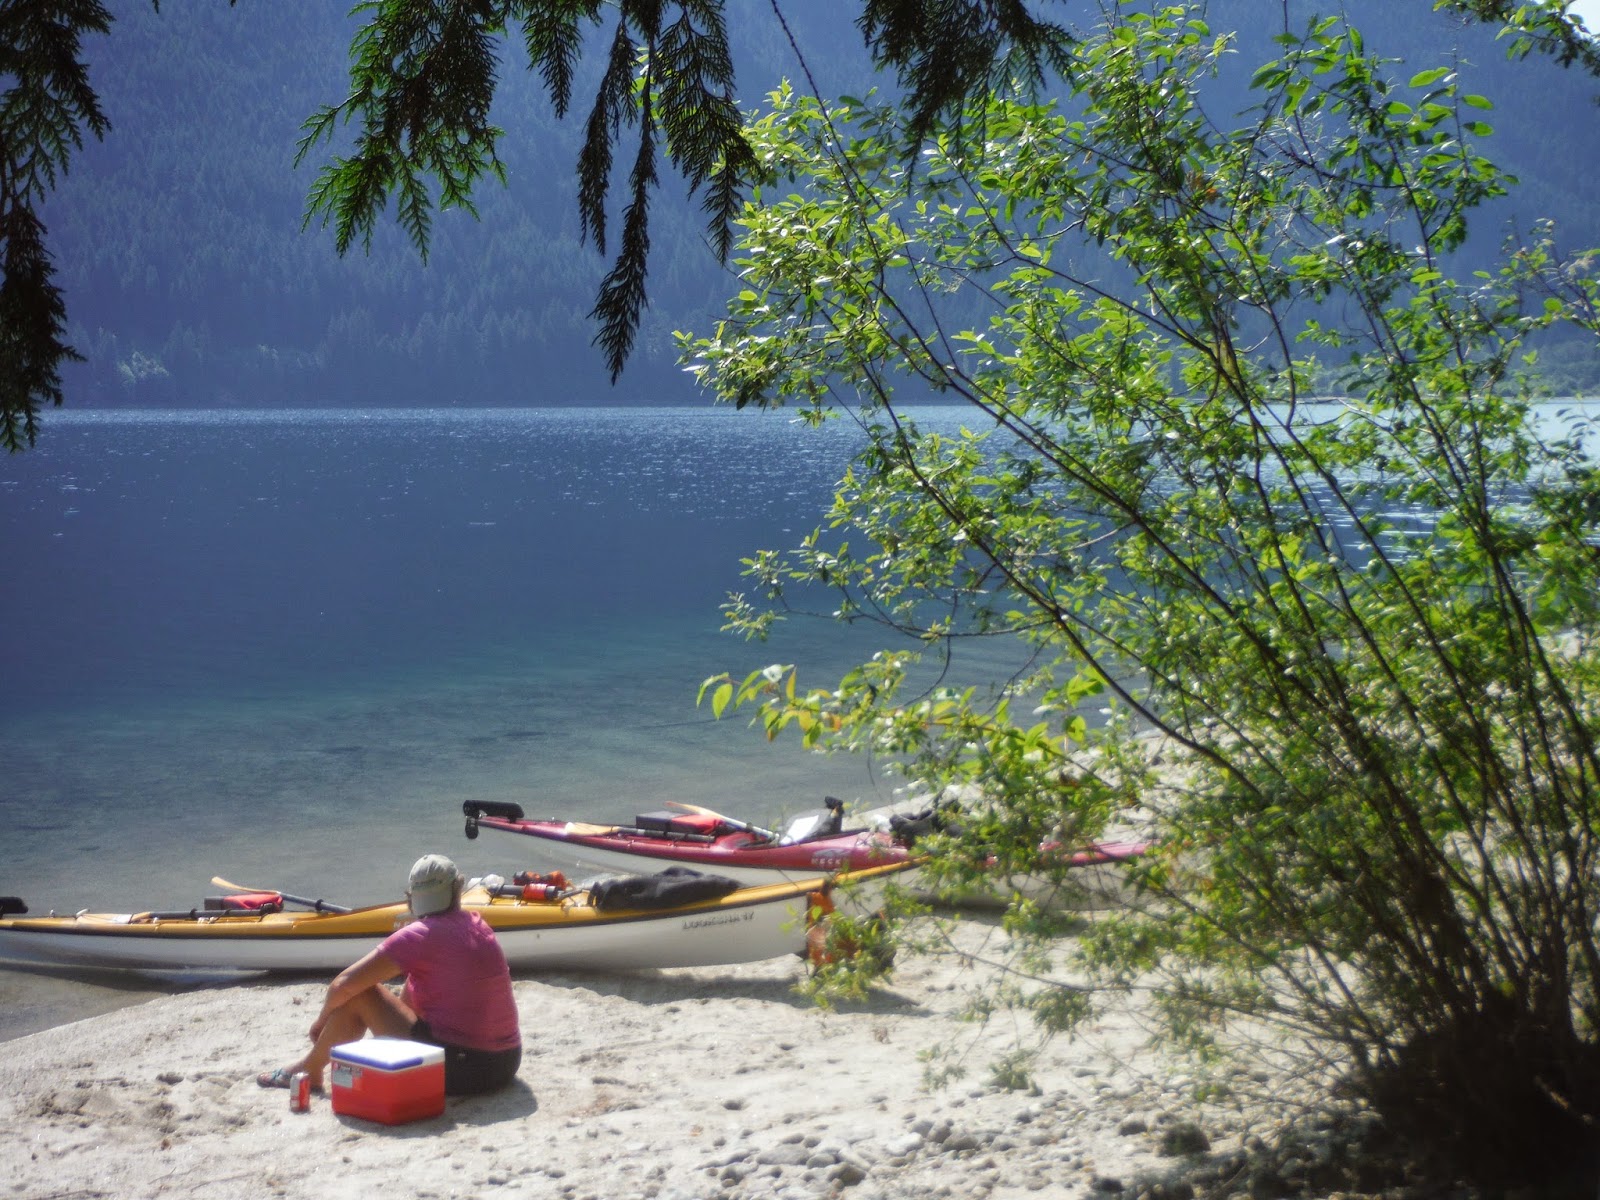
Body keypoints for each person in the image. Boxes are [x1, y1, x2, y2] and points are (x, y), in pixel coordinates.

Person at [256, 854, 522, 1096]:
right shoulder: (477, 924)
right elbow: (415, 996)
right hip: (506, 1063)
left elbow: (343, 984)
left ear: (412, 898)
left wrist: (320, 1022)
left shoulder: (421, 935)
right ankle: (314, 1065)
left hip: (464, 1070)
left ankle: (309, 1070)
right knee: (401, 984)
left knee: (362, 994)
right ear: (458, 889)